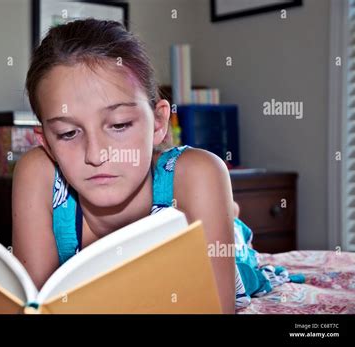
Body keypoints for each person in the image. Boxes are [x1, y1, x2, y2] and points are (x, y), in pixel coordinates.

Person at [13, 18, 235, 313]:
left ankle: (229, 214)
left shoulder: (198, 173)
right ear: (47, 143)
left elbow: (216, 308)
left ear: (158, 123)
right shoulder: (37, 173)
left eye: (119, 125)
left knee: (226, 221)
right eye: (68, 133)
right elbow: (36, 303)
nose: (95, 154)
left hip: (206, 213)